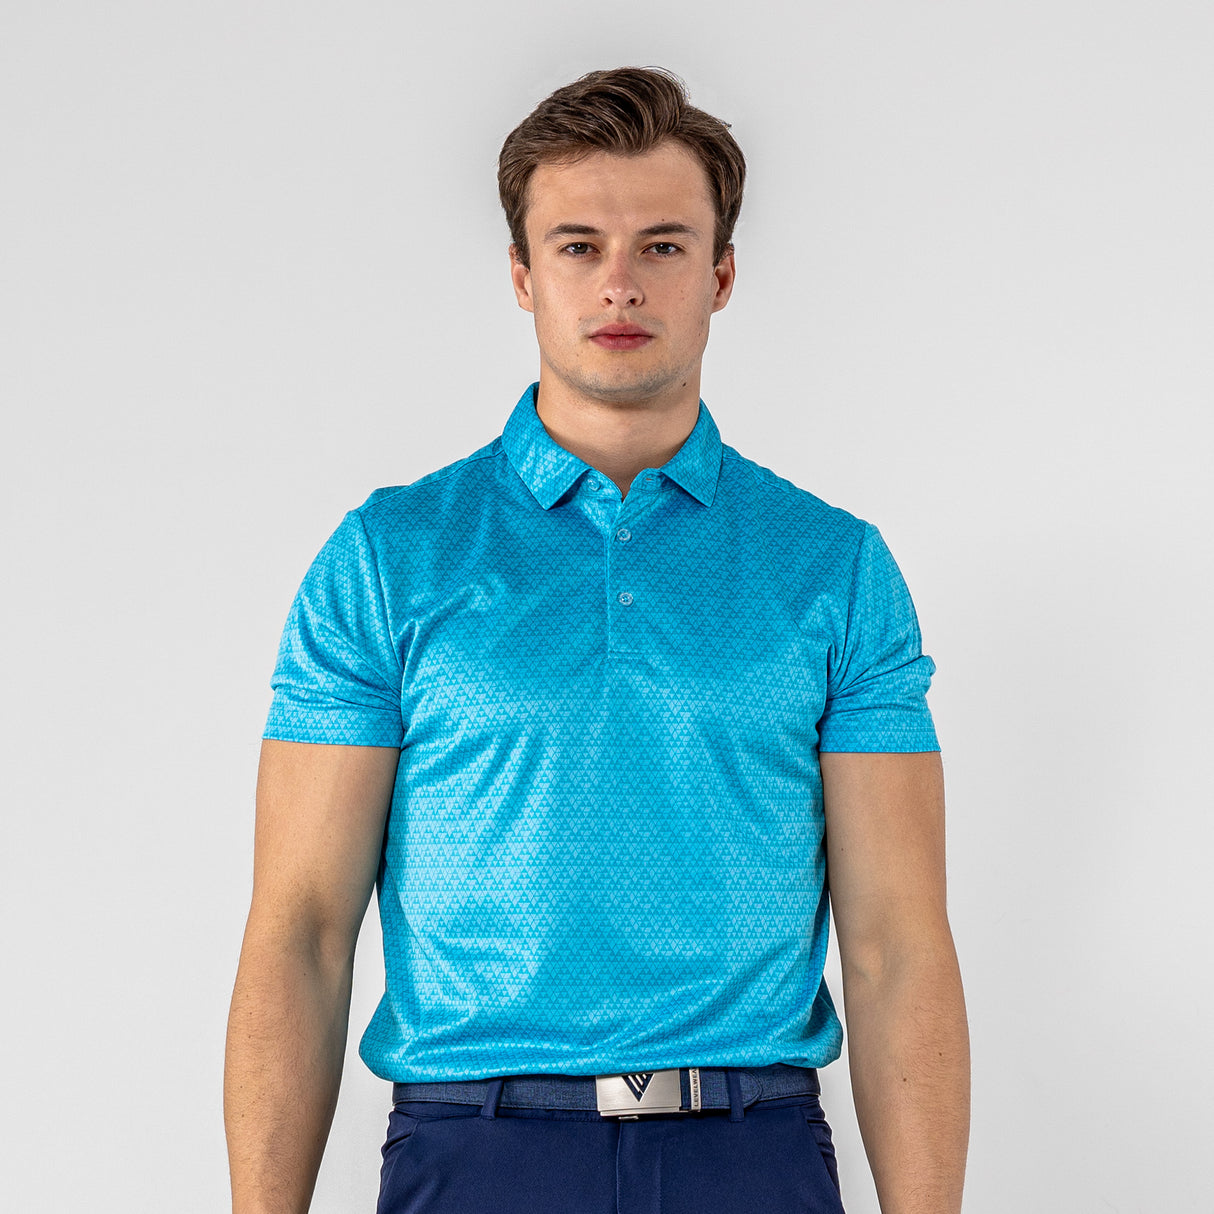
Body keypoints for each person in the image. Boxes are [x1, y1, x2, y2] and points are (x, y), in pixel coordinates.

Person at [224, 66, 970, 1214]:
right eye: (577, 246)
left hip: (751, 1150)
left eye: (662, 245)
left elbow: (894, 944)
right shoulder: (389, 557)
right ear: (522, 275)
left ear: (720, 274)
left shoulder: (832, 567)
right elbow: (302, 931)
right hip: (475, 1150)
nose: (619, 281)